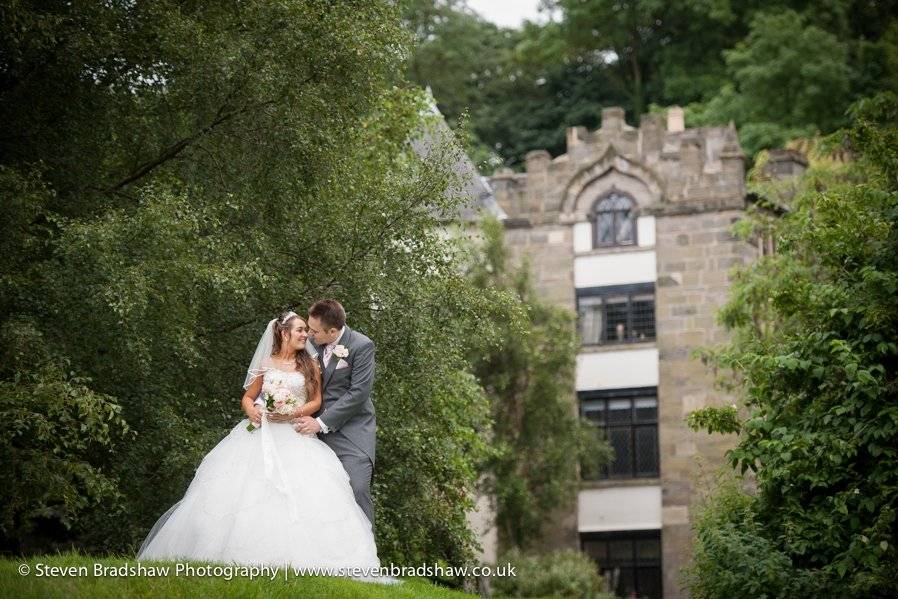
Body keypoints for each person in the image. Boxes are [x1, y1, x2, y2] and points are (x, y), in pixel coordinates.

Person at [136, 311, 383, 576]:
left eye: (307, 330)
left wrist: (292, 413)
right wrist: (252, 409)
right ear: (283, 333)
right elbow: (249, 396)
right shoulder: (267, 363)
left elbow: (317, 401)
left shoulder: (310, 363)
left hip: (294, 434)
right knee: (246, 488)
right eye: (300, 330)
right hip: (260, 432)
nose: (306, 335)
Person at [293, 299, 377, 526]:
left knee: (357, 489)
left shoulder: (361, 346)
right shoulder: (311, 343)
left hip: (351, 433)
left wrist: (320, 422)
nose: (309, 334)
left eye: (315, 330)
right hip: (311, 433)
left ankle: (366, 557)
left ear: (333, 331)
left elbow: (358, 393)